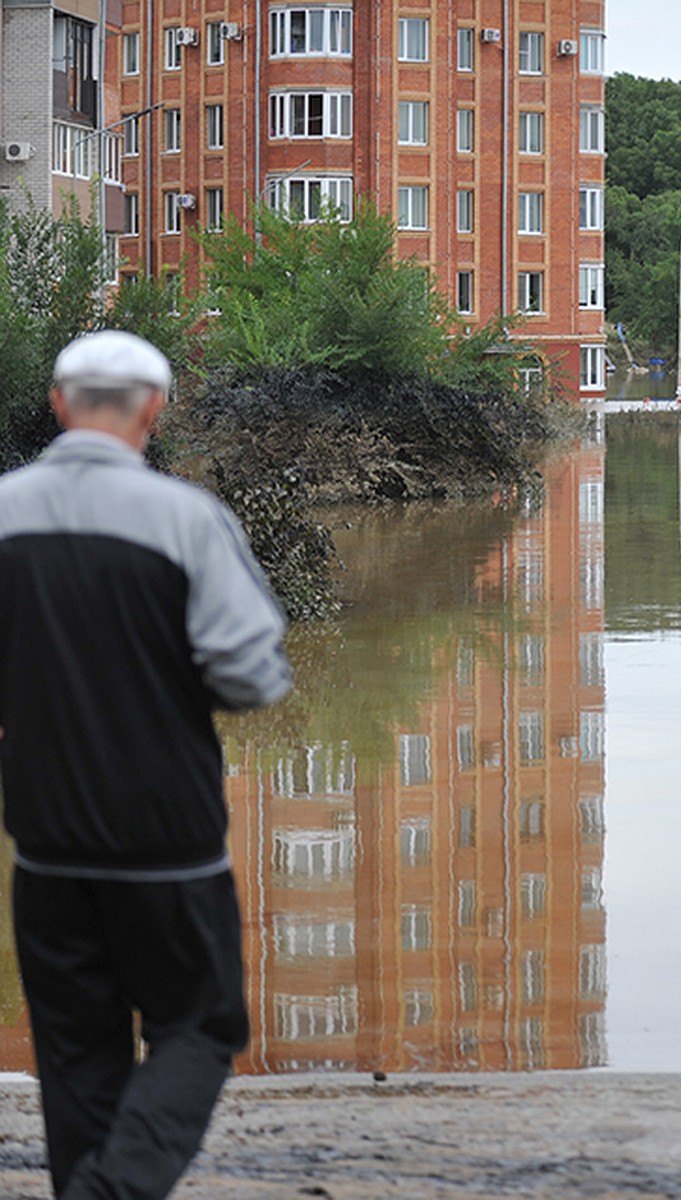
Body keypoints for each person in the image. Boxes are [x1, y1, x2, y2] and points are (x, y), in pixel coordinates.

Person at [0, 330, 292, 1198]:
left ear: (59, 405)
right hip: (170, 838)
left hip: (45, 837)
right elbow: (252, 676)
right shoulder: (188, 521)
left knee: (76, 1050)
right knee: (199, 1027)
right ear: (153, 412)